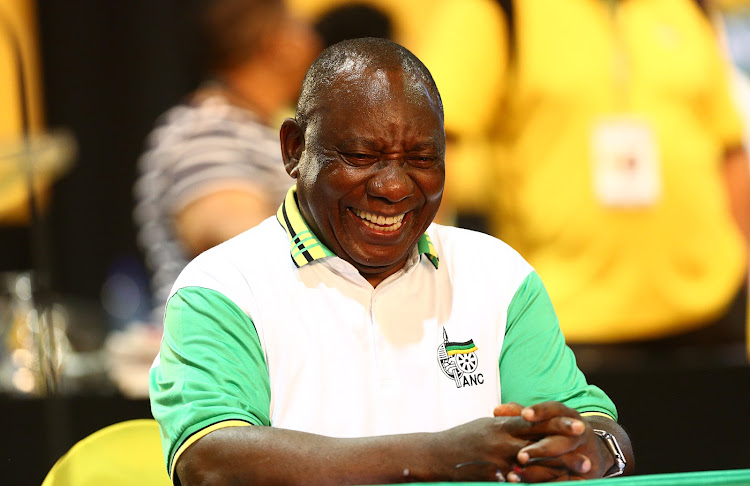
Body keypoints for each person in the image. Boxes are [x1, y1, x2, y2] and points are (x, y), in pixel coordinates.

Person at [150, 38, 634, 484]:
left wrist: (585, 446)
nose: (394, 186)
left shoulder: (498, 275)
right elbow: (209, 460)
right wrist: (437, 457)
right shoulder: (225, 286)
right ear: (294, 150)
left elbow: (602, 435)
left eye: (422, 159)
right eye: (362, 155)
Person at [412, 0, 750, 370]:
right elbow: (430, 142)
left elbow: (729, 147)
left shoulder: (690, 7)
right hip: (561, 323)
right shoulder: (499, 9)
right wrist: (428, 287)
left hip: (710, 314)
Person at [133, 0, 321, 322]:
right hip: (223, 358)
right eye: (301, 28)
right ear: (280, 44)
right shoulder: (206, 129)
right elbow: (247, 247)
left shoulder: (251, 127)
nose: (316, 44)